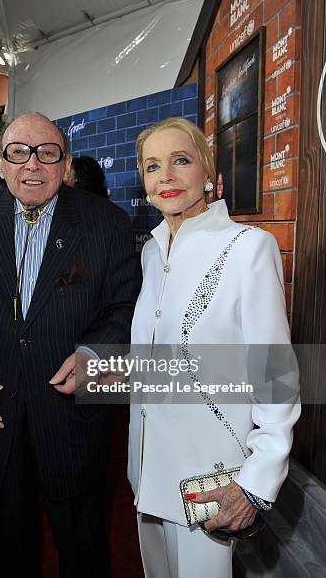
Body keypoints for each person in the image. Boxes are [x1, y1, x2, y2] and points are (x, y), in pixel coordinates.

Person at [0, 112, 141, 578]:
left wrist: (95, 360)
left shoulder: (107, 222)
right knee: (13, 551)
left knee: (85, 552)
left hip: (73, 420)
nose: (33, 165)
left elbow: (126, 310)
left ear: (65, 165)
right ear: (1, 163)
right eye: (19, 153)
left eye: (48, 153)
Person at [127, 117, 300, 577]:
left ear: (209, 174)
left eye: (180, 161)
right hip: (146, 477)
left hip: (212, 485)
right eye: (152, 166)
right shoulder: (150, 252)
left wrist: (256, 483)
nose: (165, 176)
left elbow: (275, 372)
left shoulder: (249, 248)